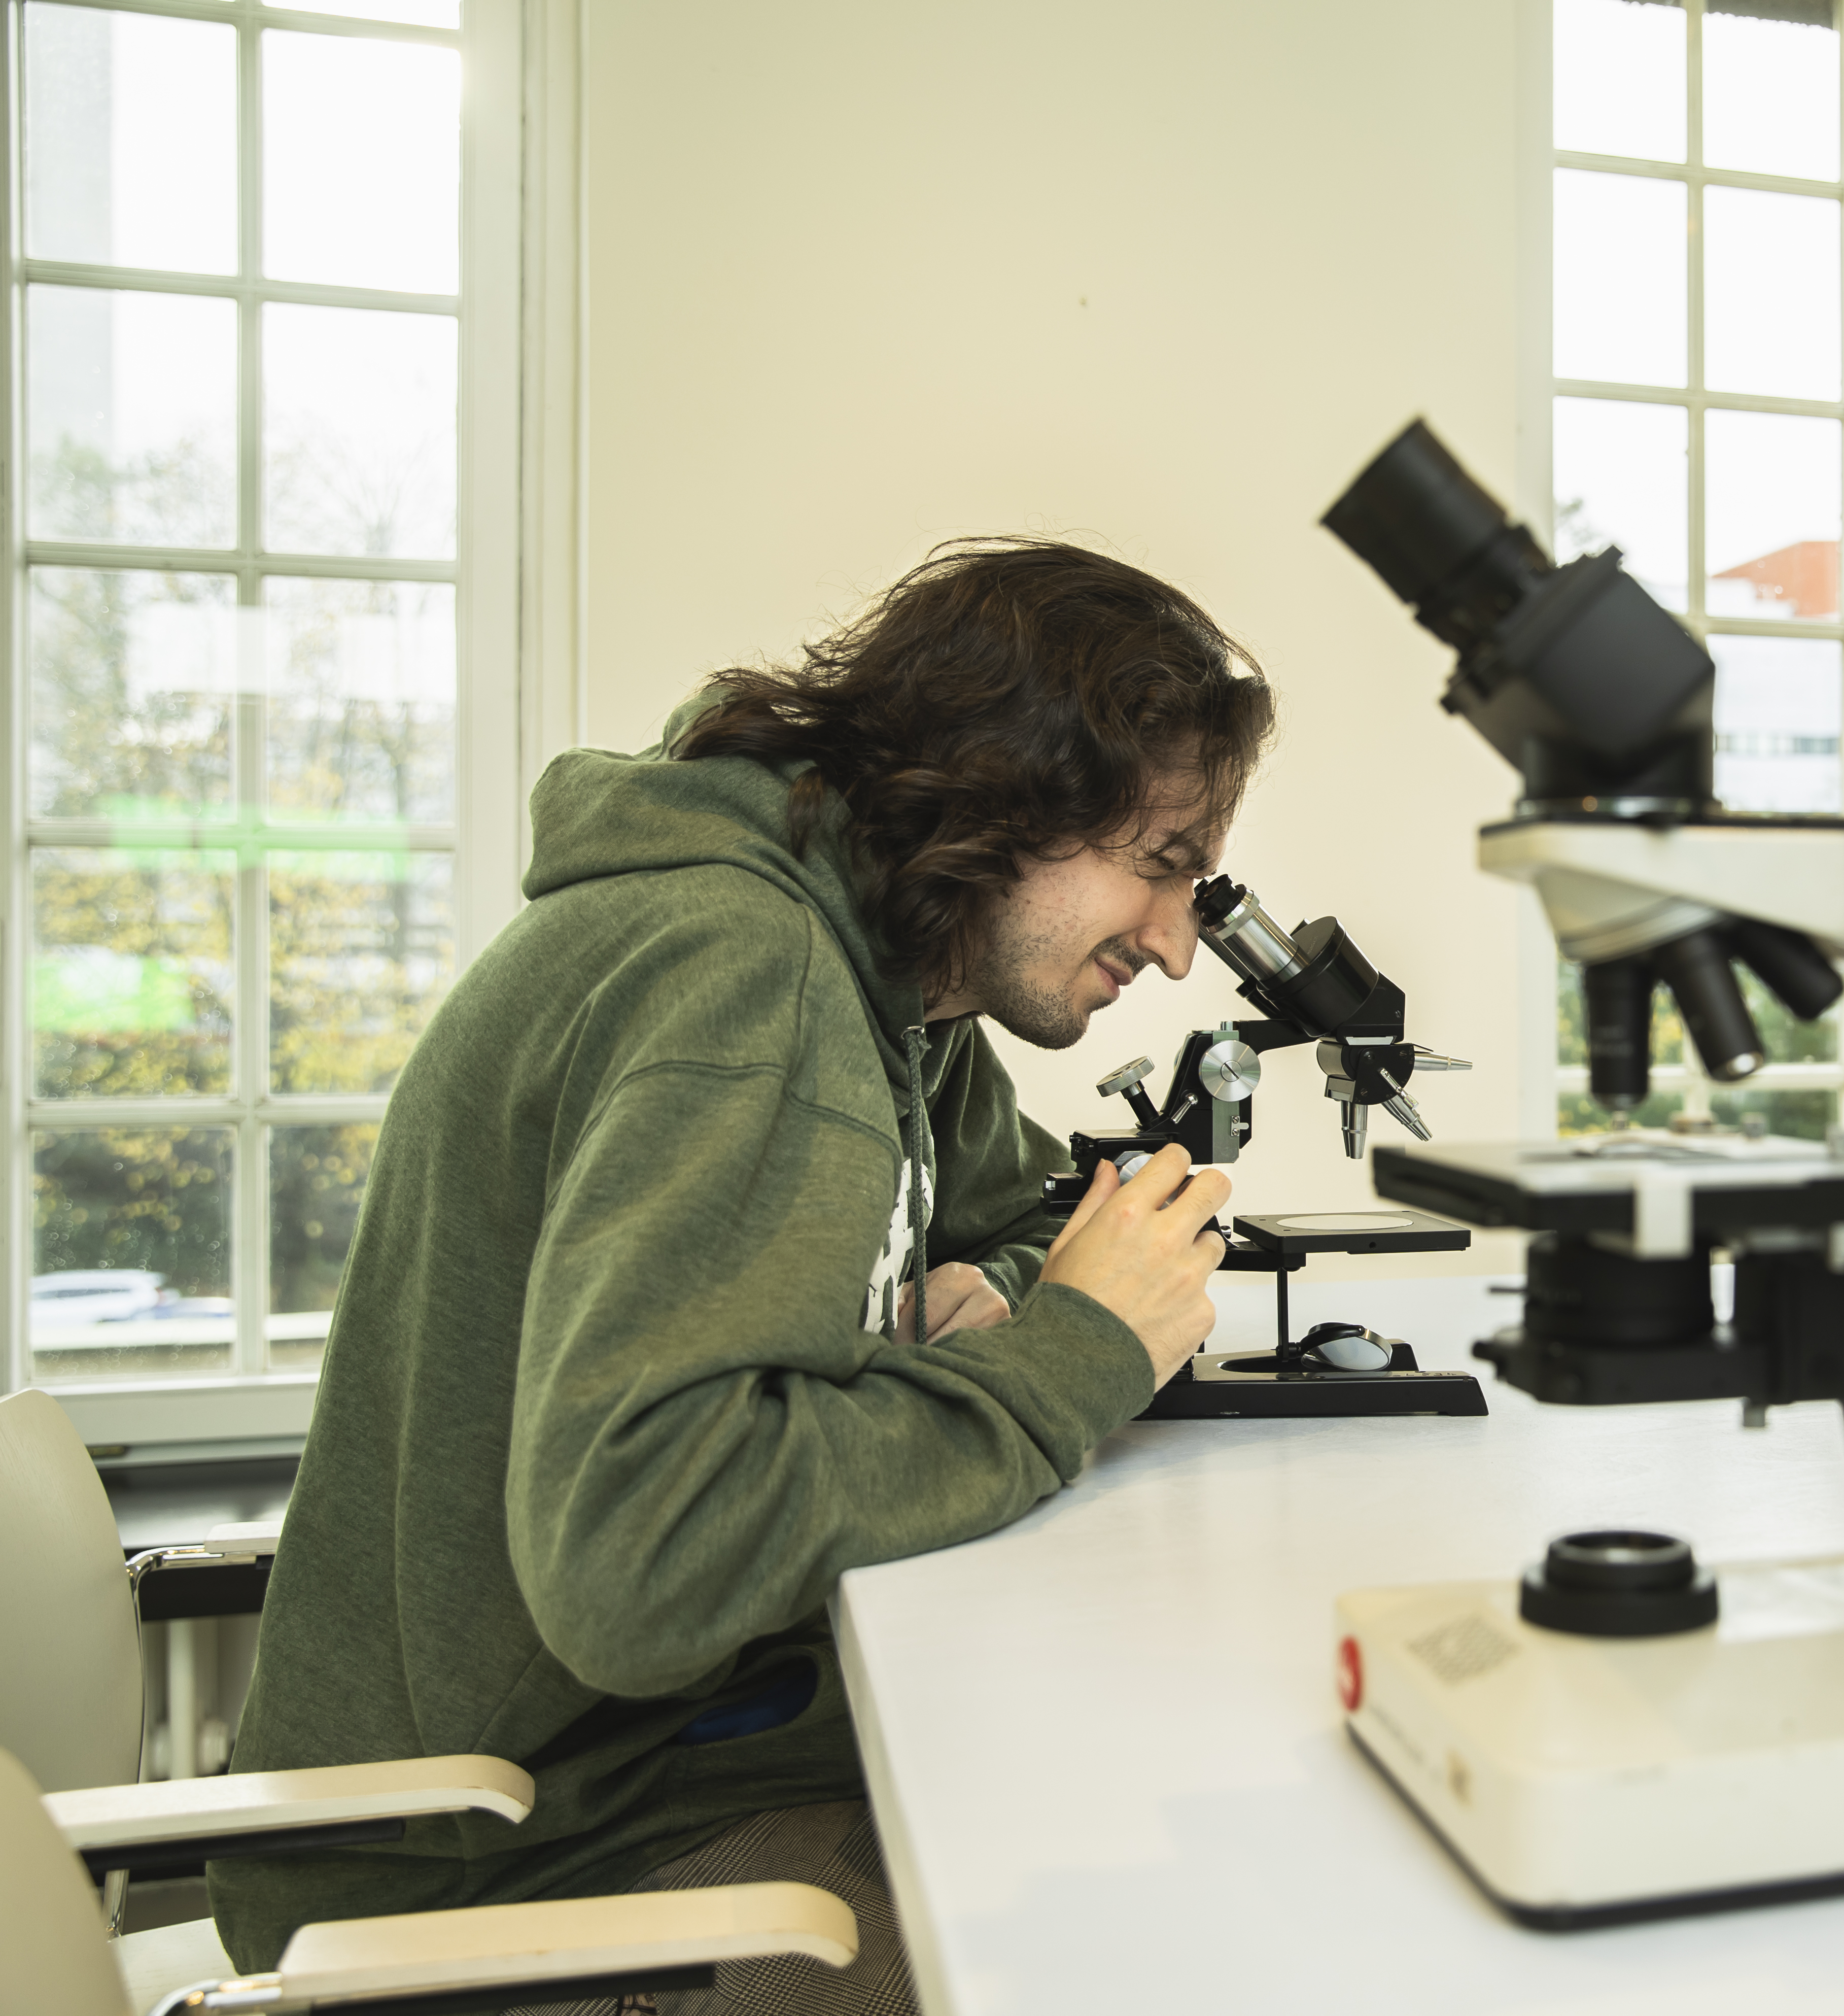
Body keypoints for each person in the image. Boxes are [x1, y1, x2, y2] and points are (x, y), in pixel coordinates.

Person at [208, 540, 1275, 2012]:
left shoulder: (902, 991)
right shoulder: (746, 985)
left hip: (642, 1765)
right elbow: (643, 1559)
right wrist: (1071, 1352)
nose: (1171, 948)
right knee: (1123, 1959)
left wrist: (1022, 1294)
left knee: (1140, 1818)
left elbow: (1043, 1213)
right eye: (1158, 869)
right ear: (1005, 798)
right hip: (485, 1871)